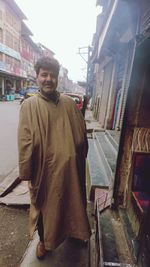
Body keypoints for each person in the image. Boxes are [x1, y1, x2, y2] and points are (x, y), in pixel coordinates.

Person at [18, 56, 91, 259]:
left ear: (58, 78)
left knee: (74, 202)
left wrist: (77, 155)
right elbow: (25, 140)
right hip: (45, 171)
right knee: (45, 209)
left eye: (53, 75)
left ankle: (76, 231)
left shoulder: (68, 103)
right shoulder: (30, 105)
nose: (48, 79)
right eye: (44, 75)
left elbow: (81, 132)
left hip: (71, 170)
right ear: (37, 76)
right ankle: (45, 241)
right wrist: (27, 171)